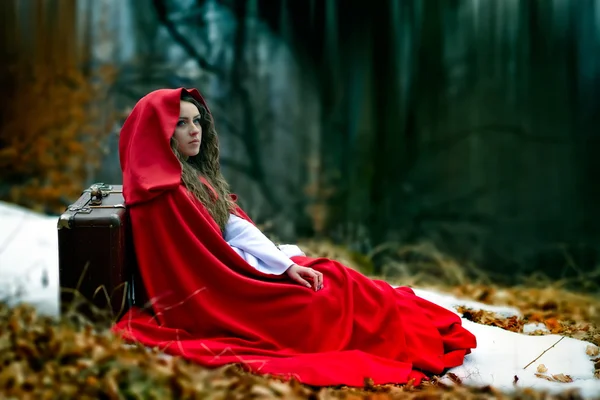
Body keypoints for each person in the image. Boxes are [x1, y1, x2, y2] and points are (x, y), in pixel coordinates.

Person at [113, 87, 477, 387]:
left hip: (243, 273)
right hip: (227, 297)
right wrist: (272, 274)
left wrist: (283, 264)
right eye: (181, 124)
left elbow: (228, 227)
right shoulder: (165, 193)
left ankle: (409, 331)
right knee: (323, 300)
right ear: (159, 132)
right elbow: (203, 268)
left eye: (198, 121)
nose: (195, 131)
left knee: (338, 277)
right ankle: (403, 342)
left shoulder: (191, 176)